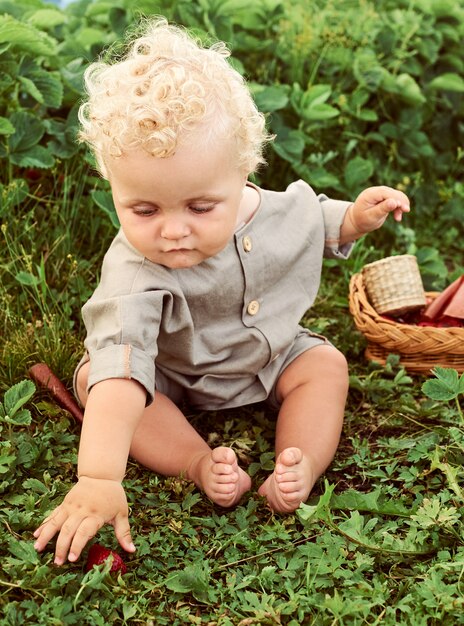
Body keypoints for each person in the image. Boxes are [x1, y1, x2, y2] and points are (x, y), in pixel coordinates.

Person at [33, 18, 410, 566]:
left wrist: (352, 219)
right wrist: (97, 476)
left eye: (200, 207)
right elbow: (121, 371)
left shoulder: (270, 205)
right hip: (173, 376)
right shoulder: (136, 273)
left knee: (325, 366)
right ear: (112, 185)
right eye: (143, 209)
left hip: (272, 359)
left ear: (243, 175)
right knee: (99, 380)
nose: (173, 230)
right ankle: (197, 461)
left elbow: (308, 219)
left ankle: (296, 465)